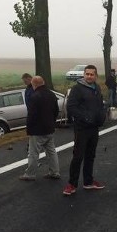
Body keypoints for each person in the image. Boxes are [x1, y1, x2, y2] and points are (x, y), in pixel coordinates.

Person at [63, 65, 107, 195]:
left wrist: (102, 116)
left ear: (96, 76)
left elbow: (99, 105)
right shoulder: (77, 89)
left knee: (90, 156)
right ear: (83, 75)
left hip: (94, 128)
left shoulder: (97, 88)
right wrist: (85, 117)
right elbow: (71, 107)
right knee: (78, 156)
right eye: (87, 74)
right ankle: (72, 184)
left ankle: (88, 182)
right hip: (82, 128)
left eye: (92, 74)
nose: (89, 76)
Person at [19, 75, 61, 181]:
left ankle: (30, 174)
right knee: (51, 151)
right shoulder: (51, 94)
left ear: (34, 84)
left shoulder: (34, 96)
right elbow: (56, 111)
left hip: (37, 130)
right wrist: (52, 122)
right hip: (50, 128)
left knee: (33, 153)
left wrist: (29, 129)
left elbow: (31, 115)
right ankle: (54, 172)